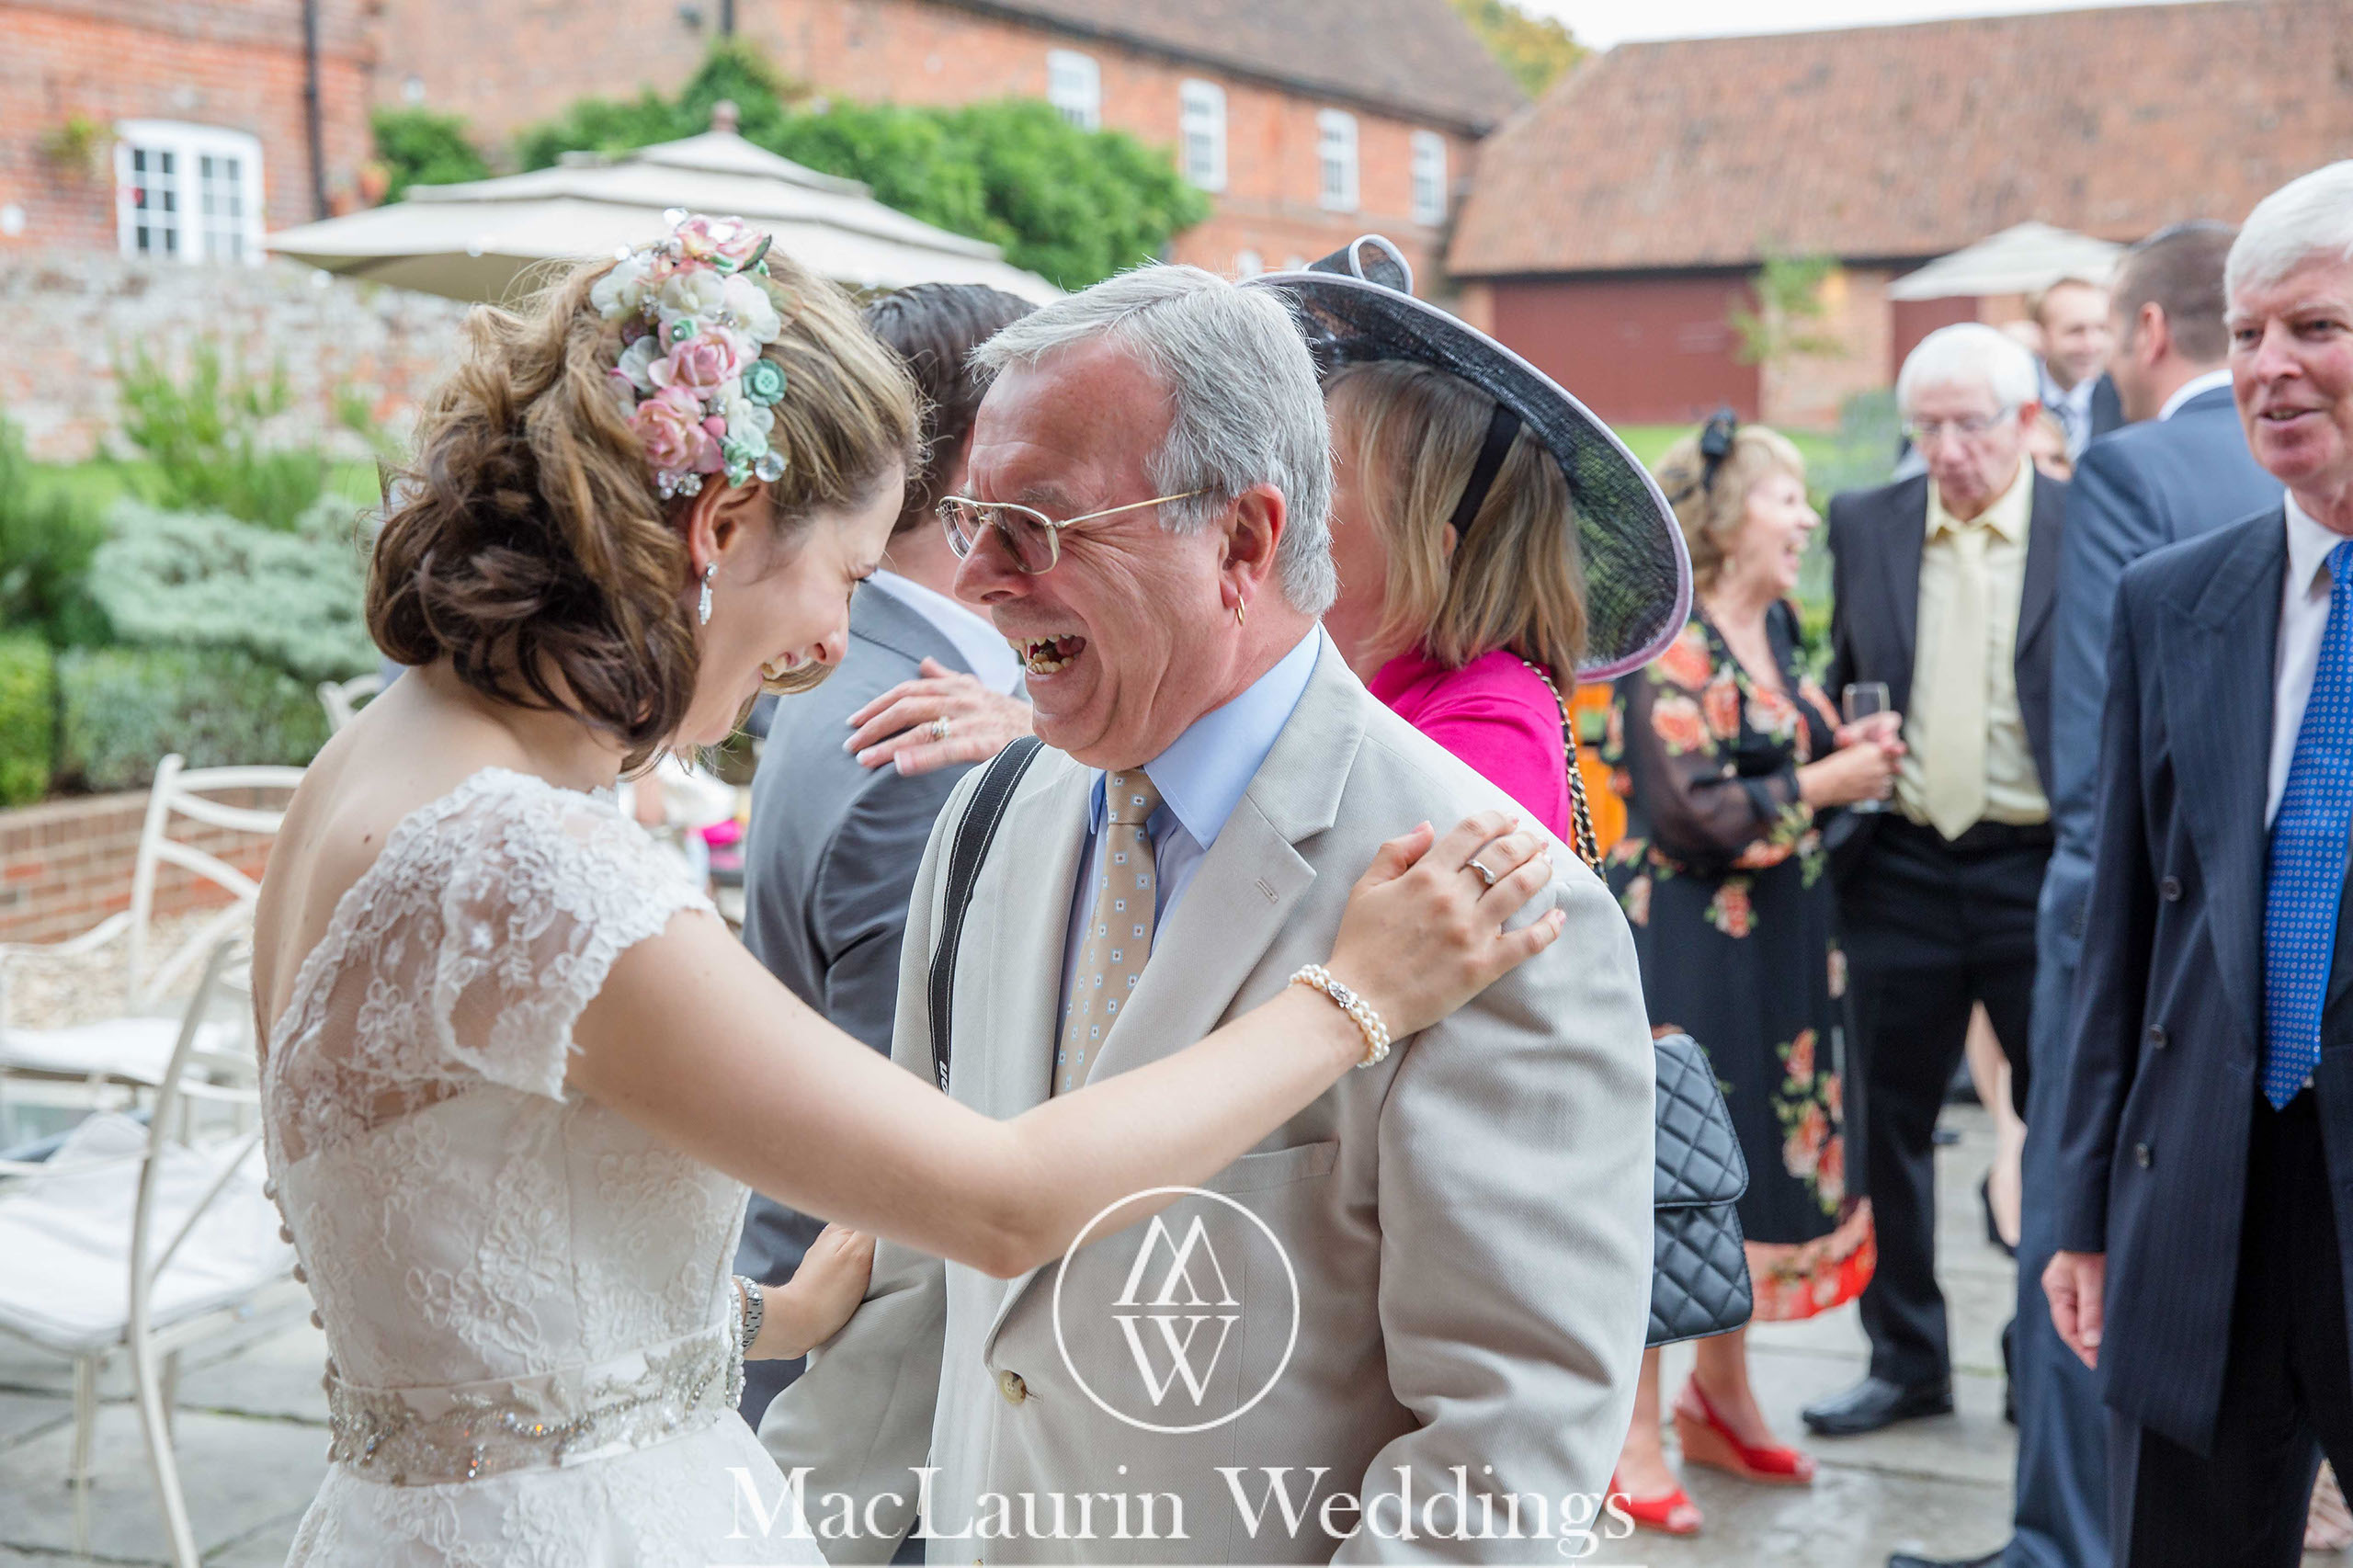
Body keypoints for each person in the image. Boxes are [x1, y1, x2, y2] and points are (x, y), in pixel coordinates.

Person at [245, 217, 1562, 1565]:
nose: (834, 645)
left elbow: (469, 1273)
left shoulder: (367, 775)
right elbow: (1002, 1200)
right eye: (852, 574)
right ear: (720, 527)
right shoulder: (534, 873)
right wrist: (1349, 1000)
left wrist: (775, 1317)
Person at [762, 262, 1662, 1564]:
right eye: (970, 517)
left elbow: (1505, 1461)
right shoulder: (987, 815)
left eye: (1039, 524)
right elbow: (909, 1290)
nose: (979, 578)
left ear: (1241, 540)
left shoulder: (1493, 905)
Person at [1892, 220, 2276, 1568]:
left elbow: (2102, 755)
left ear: (2148, 331)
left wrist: (2074, 963)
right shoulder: (2304, 463)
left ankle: (2060, 1536)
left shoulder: (2130, 468)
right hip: (2294, 938)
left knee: (2080, 1223)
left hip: (2144, 932)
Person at [2046, 159, 2353, 1568]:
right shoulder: (2177, 599)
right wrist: (2084, 1211)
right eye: (2246, 333)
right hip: (2200, 1210)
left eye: (2316, 328)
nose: (2268, 367)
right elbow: (2120, 926)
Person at [733, 281, 1035, 1426]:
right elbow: (913, 1121)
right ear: (983, 464)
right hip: (862, 1367)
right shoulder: (931, 743)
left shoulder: (848, 661)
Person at [1601, 417, 1894, 1534]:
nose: (1807, 519)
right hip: (1687, 942)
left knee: (1753, 1167)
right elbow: (1689, 809)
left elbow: (1783, 754)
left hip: (1781, 942)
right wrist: (1825, 783)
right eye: (1786, 498)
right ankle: (1633, 1431)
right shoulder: (1666, 640)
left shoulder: (1774, 624)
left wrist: (1851, 757)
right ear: (1727, 519)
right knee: (1670, 1170)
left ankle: (1720, 1397)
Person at [1805, 324, 2066, 1440]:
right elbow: (1842, 669)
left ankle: (2044, 1358)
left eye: (1969, 425)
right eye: (1927, 429)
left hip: (2039, 862)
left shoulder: (2082, 520)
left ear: (2025, 422)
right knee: (1887, 1122)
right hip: (1901, 860)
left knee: (2060, 1120)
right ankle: (1906, 1357)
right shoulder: (1867, 518)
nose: (1947, 450)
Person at [1317, 357, 1585, 840]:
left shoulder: (1493, 725)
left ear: (1423, 546)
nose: (1283, 492)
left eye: (1325, 475)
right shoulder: (1359, 683)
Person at [2031, 278, 2122, 460]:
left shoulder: (2123, 399)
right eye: (2075, 331)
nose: (2091, 345)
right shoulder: (2018, 396)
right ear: (2041, 335)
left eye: (2102, 329)